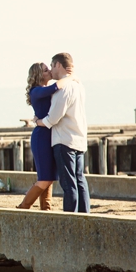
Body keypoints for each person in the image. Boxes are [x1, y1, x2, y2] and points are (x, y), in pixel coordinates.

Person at [34, 53, 89, 213]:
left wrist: (38, 121)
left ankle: (70, 218)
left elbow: (53, 118)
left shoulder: (63, 88)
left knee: (68, 184)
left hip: (64, 141)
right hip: (79, 139)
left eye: (51, 66)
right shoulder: (79, 86)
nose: (51, 70)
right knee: (80, 181)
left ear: (58, 65)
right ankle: (85, 215)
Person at [18, 63, 69, 210]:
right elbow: (55, 87)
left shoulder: (45, 91)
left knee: (50, 178)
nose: (50, 71)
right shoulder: (36, 91)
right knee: (45, 178)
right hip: (41, 138)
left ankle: (45, 208)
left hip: (50, 135)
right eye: (46, 70)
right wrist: (70, 77)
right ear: (40, 75)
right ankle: (24, 206)